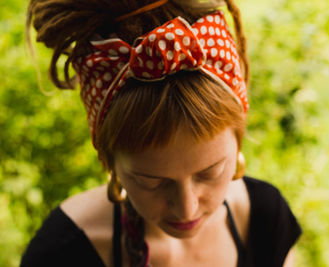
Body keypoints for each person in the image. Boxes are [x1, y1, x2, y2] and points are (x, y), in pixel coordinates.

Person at [21, 0, 302, 266]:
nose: (186, 209)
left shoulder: (264, 219)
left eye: (210, 173)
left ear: (238, 139)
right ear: (109, 161)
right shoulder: (63, 252)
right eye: (151, 182)